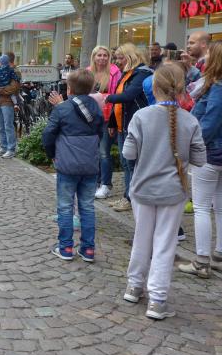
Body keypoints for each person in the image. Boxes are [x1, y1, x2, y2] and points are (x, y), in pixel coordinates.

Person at [122, 63, 206, 320]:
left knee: (142, 238)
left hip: (142, 188)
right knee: (164, 244)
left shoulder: (141, 117)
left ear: (154, 87)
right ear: (181, 88)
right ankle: (157, 300)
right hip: (173, 190)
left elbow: (128, 154)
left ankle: (134, 286)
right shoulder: (190, 120)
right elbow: (200, 159)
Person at [178, 40, 222, 278]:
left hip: (210, 153)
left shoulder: (218, 88)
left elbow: (210, 123)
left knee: (202, 208)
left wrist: (192, 146)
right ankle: (220, 257)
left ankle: (201, 261)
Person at [42, 69, 103, 262]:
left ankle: (66, 247)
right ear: (90, 88)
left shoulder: (62, 109)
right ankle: (88, 249)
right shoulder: (96, 106)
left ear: (69, 88)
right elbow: (100, 132)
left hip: (67, 164)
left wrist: (52, 155)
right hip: (90, 164)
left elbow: (48, 135)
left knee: (65, 207)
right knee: (87, 207)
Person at [105, 43, 153, 212]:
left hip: (133, 125)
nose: (117, 61)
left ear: (130, 57)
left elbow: (127, 96)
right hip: (122, 125)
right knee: (126, 163)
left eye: (120, 58)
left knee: (132, 164)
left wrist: (106, 97)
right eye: (116, 58)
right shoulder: (128, 74)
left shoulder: (142, 74)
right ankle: (128, 196)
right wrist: (112, 122)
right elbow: (119, 102)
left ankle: (132, 198)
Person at [87, 46, 121, 199]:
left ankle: (106, 184)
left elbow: (117, 95)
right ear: (94, 57)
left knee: (104, 152)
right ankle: (95, 182)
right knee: (93, 152)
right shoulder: (88, 72)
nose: (102, 58)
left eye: (105, 55)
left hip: (108, 117)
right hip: (91, 117)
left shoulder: (114, 72)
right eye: (99, 55)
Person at [0, 55, 19, 158]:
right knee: (0, 126)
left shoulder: (14, 72)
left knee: (8, 126)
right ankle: (4, 147)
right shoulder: (0, 71)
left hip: (8, 102)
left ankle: (11, 149)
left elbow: (13, 88)